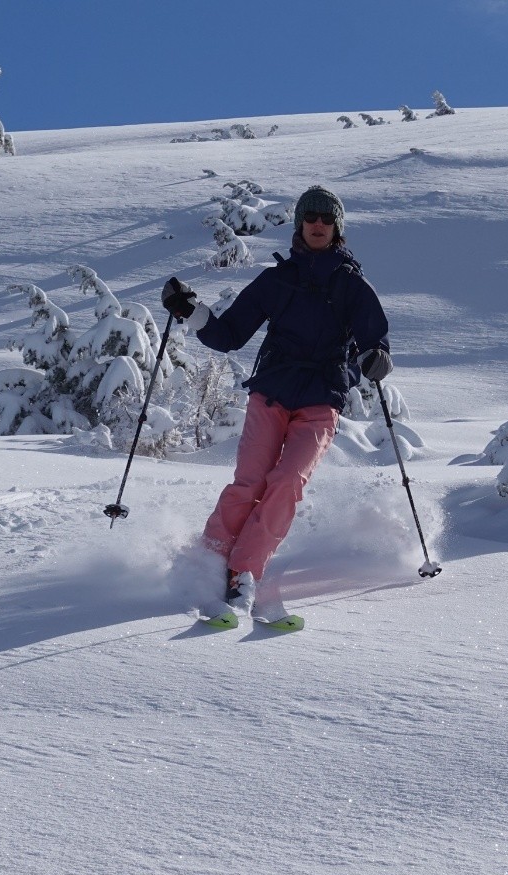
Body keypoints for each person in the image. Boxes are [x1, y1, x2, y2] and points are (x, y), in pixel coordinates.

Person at [160, 185, 392, 625]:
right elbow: (229, 335)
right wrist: (189, 310)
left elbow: (374, 339)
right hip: (273, 390)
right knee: (249, 481)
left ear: (336, 228)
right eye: (311, 218)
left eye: (327, 219)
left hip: (322, 398)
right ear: (301, 224)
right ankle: (209, 562)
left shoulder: (352, 284)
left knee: (287, 482)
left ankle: (244, 572)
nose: (319, 225)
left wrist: (376, 356)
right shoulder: (276, 279)